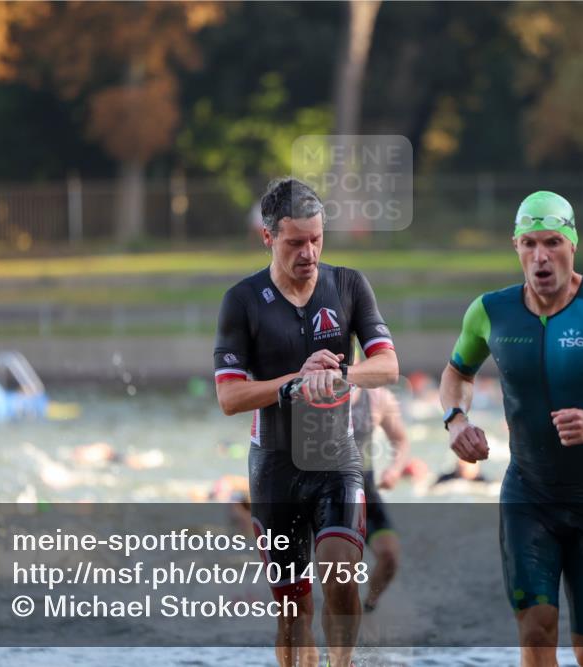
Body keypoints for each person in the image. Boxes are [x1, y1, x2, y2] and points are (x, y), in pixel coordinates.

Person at [439, 190, 583, 667]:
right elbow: (455, 374)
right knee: (536, 628)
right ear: (516, 247)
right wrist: (456, 419)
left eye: (551, 242)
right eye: (529, 244)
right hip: (529, 495)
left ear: (573, 245)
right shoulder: (490, 311)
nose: (540, 257)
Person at [214, 177, 399, 667]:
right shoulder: (243, 301)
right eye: (296, 242)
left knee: (340, 573)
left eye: (317, 239)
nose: (310, 252)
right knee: (293, 612)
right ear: (268, 238)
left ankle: (344, 663)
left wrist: (341, 373)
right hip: (274, 467)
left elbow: (388, 366)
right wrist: (294, 381)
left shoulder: (349, 285)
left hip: (335, 459)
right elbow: (230, 396)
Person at [349, 385, 410, 612]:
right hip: (327, 498)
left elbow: (401, 440)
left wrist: (394, 469)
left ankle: (369, 606)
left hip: (365, 494)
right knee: (343, 569)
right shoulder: (312, 392)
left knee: (390, 557)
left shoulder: (377, 397)